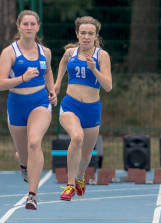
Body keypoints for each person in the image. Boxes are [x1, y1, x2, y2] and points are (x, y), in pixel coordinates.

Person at [0, 10, 57, 210]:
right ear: (19, 27)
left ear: (38, 27)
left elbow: (48, 71)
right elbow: (1, 83)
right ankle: (23, 164)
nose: (29, 27)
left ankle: (32, 195)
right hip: (16, 105)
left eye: (33, 24)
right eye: (26, 24)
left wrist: (52, 91)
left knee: (34, 143)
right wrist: (22, 78)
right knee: (25, 155)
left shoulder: (45, 52)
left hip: (39, 103)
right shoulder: (9, 52)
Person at [54, 16, 112, 201]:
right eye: (83, 33)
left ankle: (79, 177)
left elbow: (108, 86)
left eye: (90, 34)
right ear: (77, 34)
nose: (86, 37)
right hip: (70, 105)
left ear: (96, 35)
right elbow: (63, 62)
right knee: (77, 137)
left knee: (87, 154)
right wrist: (57, 84)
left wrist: (94, 69)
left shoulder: (101, 56)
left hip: (92, 109)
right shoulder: (70, 53)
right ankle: (70, 185)